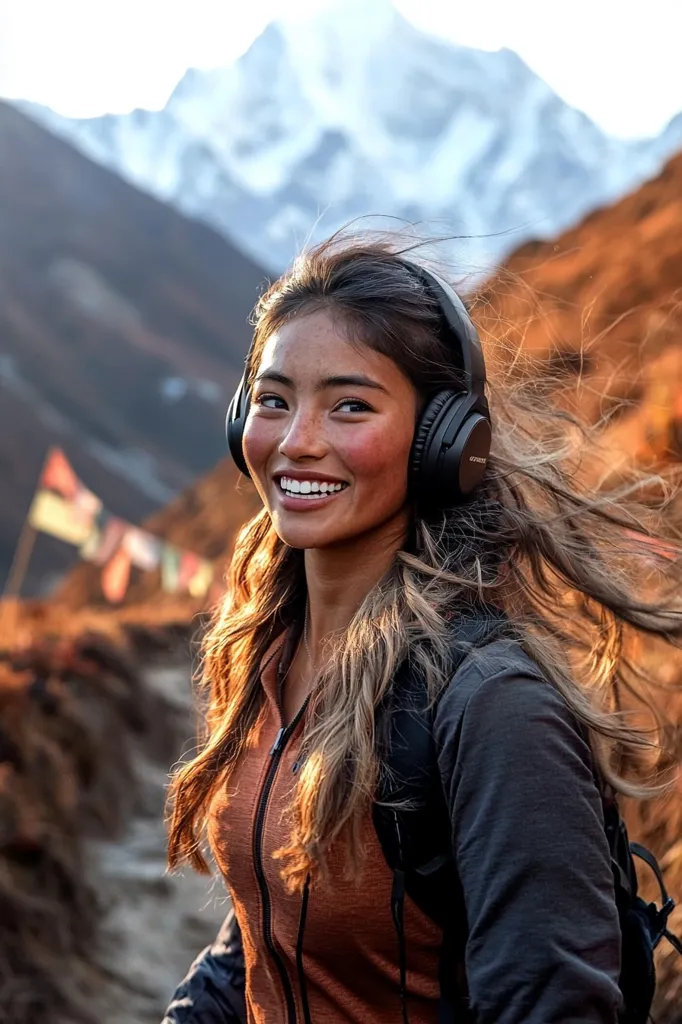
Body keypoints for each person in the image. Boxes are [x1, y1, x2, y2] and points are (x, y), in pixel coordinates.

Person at [162, 233, 680, 1024]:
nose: (298, 439)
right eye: (274, 400)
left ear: (446, 443)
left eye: (350, 406)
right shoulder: (269, 651)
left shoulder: (494, 708)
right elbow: (266, 937)